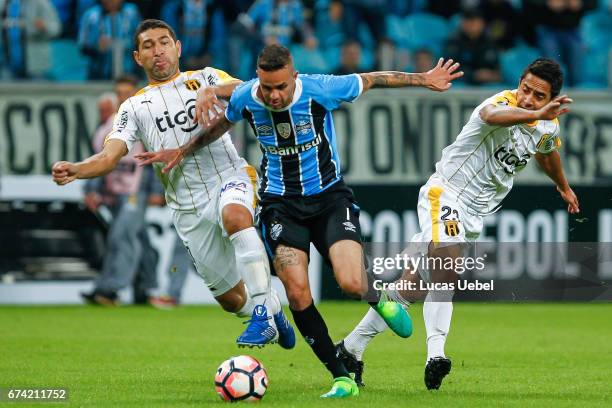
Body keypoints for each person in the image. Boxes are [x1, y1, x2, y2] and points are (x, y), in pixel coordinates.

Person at [135, 44, 463, 398]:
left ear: (294, 77)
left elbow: (374, 79)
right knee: (296, 292)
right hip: (281, 207)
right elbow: (221, 125)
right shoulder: (248, 95)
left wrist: (424, 79)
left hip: (330, 200)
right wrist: (183, 150)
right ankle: (342, 377)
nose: (273, 96)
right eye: (267, 87)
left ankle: (377, 295)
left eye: (281, 87)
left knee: (352, 283)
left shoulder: (319, 88)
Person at [337, 58, 580, 390]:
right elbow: (491, 117)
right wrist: (537, 113)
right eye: (525, 90)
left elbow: (546, 151)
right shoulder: (500, 104)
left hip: (473, 216)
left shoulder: (547, 124)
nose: (528, 99)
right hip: (445, 195)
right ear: (518, 84)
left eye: (539, 97)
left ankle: (350, 349)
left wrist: (563, 186)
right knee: (445, 264)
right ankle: (436, 355)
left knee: (411, 287)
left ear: (551, 98)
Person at [52, 19, 295, 349]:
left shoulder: (207, 77)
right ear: (138, 57)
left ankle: (264, 314)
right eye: (149, 46)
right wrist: (78, 168)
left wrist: (215, 91)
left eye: (164, 42)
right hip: (186, 207)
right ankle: (273, 310)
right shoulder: (134, 107)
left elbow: (251, 89)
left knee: (236, 216)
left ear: (178, 48)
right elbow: (109, 156)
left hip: (229, 178)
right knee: (230, 299)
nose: (158, 50)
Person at [81, 76, 163, 306]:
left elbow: (158, 156)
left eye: (127, 93)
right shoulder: (110, 125)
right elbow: (99, 159)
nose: (122, 97)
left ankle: (109, 289)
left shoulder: (147, 121)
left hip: (136, 191)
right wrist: (91, 188)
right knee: (138, 238)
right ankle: (145, 288)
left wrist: (158, 189)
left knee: (121, 236)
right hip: (113, 193)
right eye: (119, 93)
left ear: (136, 93)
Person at [78, 0, 142, 79]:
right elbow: (83, 47)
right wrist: (96, 47)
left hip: (129, 71)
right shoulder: (90, 15)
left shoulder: (132, 12)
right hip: (99, 73)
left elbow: (141, 39)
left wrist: (129, 44)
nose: (111, 1)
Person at [0, 0, 61, 79]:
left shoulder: (40, 3)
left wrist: (44, 26)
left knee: (37, 89)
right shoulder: (3, 3)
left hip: (35, 65)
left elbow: (55, 29)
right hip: (8, 65)